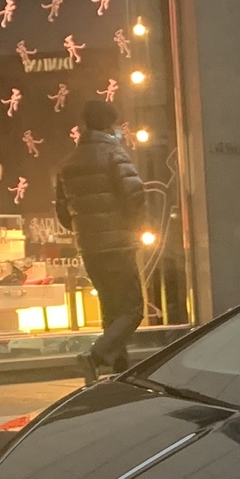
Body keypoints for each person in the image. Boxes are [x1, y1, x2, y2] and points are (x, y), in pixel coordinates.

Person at [55, 98, 148, 377]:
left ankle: (119, 366)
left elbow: (62, 211)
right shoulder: (113, 152)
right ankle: (95, 356)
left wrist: (85, 229)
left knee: (111, 305)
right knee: (132, 308)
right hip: (118, 242)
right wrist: (132, 224)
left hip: (90, 246)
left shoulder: (68, 162)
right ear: (111, 124)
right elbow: (135, 194)